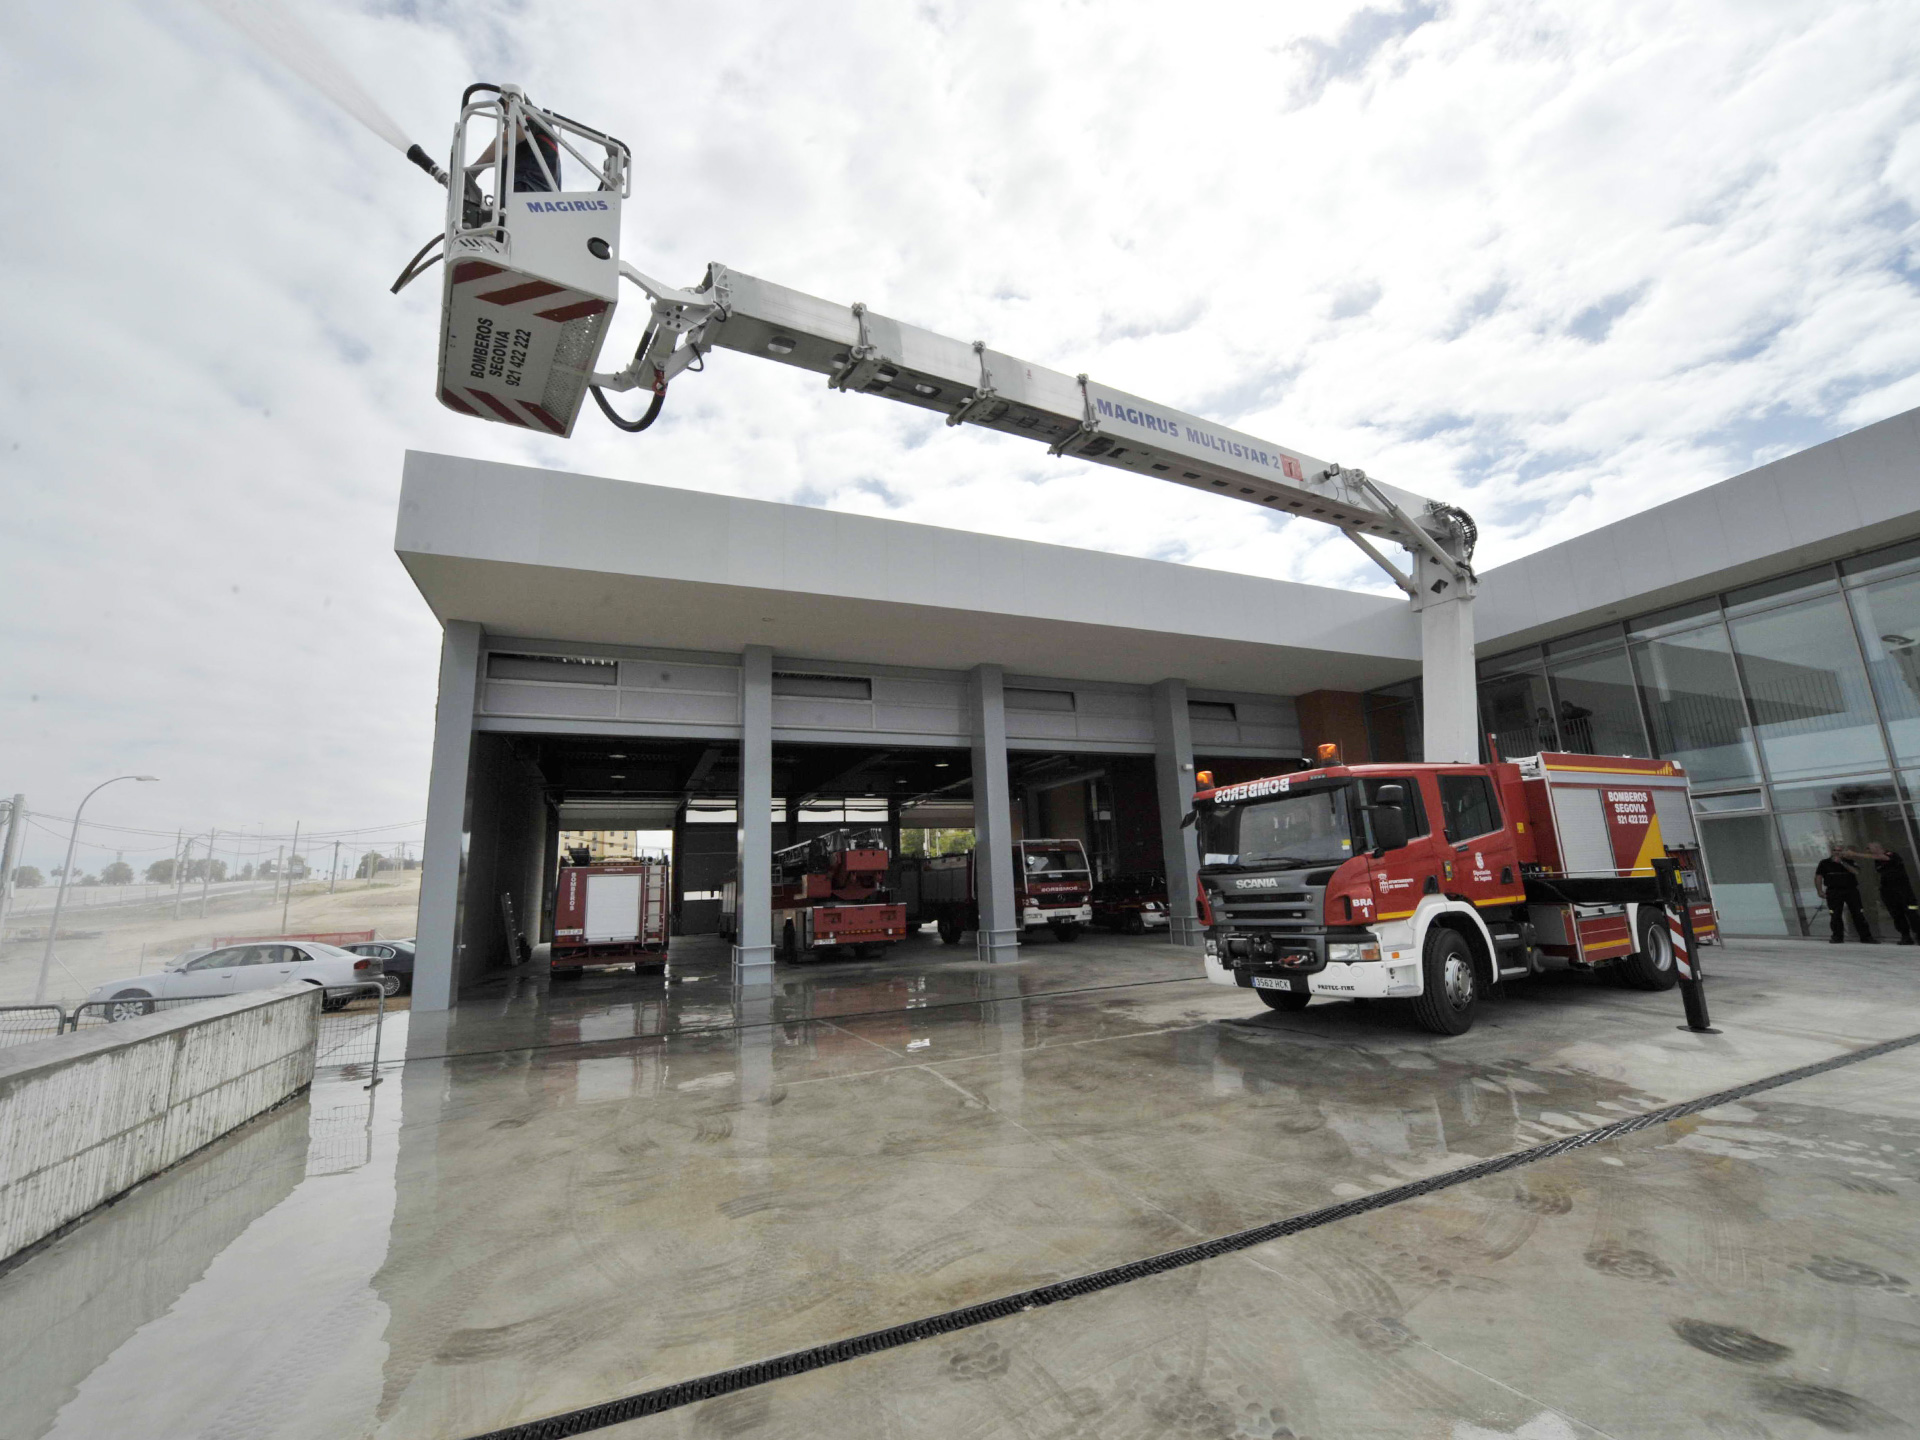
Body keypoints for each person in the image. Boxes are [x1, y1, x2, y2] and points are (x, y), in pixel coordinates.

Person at [1845, 841, 1917, 945]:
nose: (1867, 851)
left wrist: (1855, 854)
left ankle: (1918, 933)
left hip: (1903, 891)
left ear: (1877, 847)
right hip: (1889, 893)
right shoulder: (1877, 862)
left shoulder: (1891, 855)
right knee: (1897, 915)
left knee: (1912, 913)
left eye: (1868, 848)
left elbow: (1884, 858)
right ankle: (1905, 936)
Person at [1814, 842, 1873, 944]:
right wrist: (1819, 890)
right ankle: (1837, 937)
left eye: (1839, 850)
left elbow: (1856, 872)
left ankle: (1866, 937)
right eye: (1835, 850)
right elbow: (1818, 877)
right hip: (1834, 891)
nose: (1837, 852)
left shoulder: (1849, 861)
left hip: (1850, 890)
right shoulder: (1824, 863)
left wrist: (1842, 862)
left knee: (1858, 914)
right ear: (1831, 851)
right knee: (1835, 914)